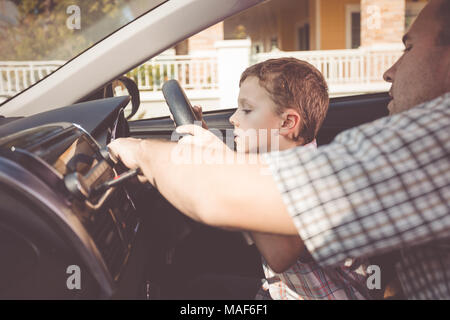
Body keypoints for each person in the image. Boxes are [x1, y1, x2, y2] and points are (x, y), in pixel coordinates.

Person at [108, 0, 450, 299]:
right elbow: (250, 182)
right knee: (194, 286)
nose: (388, 72)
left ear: (287, 124)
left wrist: (141, 150)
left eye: (408, 48)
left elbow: (278, 250)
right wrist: (211, 147)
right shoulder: (282, 158)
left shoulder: (437, 139)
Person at [191, 57, 371, 300]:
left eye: (246, 109)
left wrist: (222, 161)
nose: (234, 118)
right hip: (281, 291)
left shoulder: (310, 178)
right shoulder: (272, 164)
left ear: (287, 123)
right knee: (202, 287)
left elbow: (279, 256)